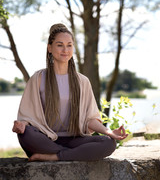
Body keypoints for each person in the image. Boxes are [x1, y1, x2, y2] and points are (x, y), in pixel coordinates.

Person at [12, 23, 128, 162]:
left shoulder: (82, 81)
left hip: (75, 139)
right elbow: (28, 116)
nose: (65, 50)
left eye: (69, 45)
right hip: (46, 139)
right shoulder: (38, 78)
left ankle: (53, 156)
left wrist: (109, 132)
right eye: (60, 45)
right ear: (49, 48)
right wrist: (22, 125)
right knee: (26, 135)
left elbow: (90, 119)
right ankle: (77, 154)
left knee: (108, 143)